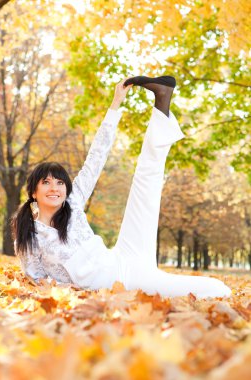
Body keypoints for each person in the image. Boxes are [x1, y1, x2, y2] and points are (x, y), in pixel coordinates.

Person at [12, 76, 231, 299]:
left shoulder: (73, 202)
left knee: (145, 184)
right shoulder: (30, 234)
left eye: (60, 183)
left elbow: (96, 158)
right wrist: (72, 291)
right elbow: (37, 279)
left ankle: (163, 99)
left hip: (122, 256)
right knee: (218, 290)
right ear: (33, 192)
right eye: (46, 183)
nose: (55, 188)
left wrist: (115, 105)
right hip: (125, 283)